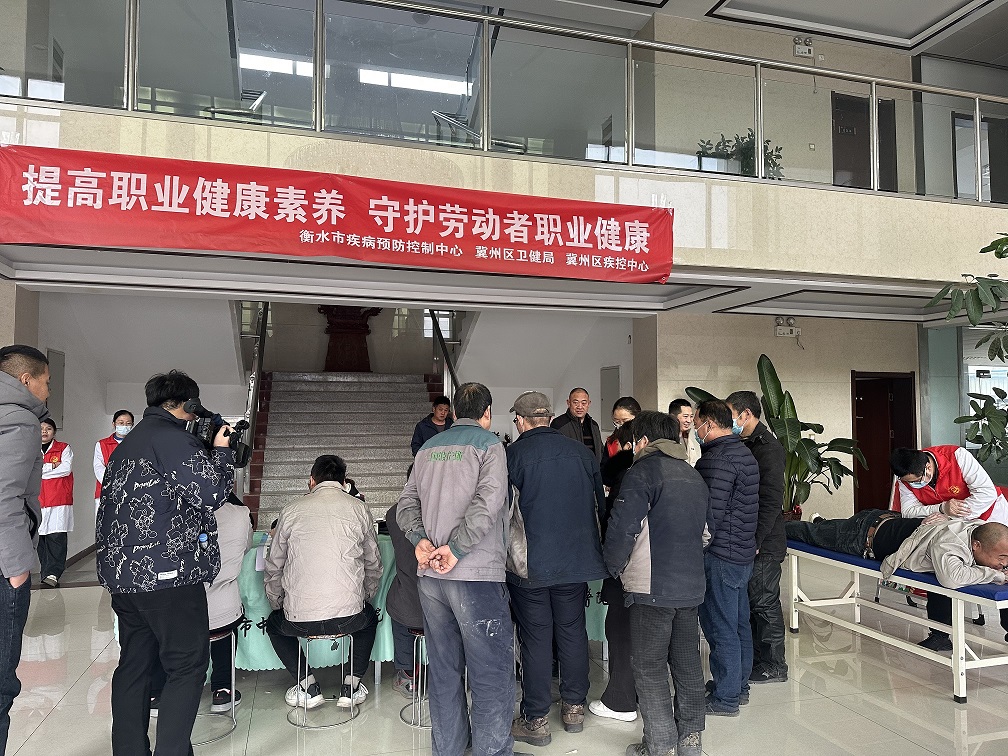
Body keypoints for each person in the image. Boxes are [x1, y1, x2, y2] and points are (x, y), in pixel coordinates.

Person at [96, 370, 235, 756]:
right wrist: (222, 452)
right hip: (168, 575)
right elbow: (212, 493)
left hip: (124, 576)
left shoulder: (130, 443)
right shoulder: (173, 439)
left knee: (134, 666)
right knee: (186, 665)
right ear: (189, 404)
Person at [397, 382, 519, 756]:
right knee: (490, 670)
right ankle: (491, 751)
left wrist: (420, 540)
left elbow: (405, 504)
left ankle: (448, 749)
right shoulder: (490, 446)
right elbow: (488, 503)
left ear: (451, 413)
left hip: (431, 577)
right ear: (487, 414)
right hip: (475, 575)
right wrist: (457, 549)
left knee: (444, 668)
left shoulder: (427, 448)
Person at [603, 411, 708, 756]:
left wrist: (614, 568)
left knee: (649, 667)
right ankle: (690, 740)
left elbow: (622, 530)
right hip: (690, 586)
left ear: (644, 441)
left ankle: (660, 745)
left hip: (651, 589)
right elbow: (706, 534)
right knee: (687, 664)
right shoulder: (693, 474)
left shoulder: (642, 472)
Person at [506, 391, 608, 747]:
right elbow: (600, 506)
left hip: (530, 565)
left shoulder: (512, 456)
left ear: (521, 421)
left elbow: (503, 514)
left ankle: (535, 719)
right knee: (572, 631)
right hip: (576, 563)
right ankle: (574, 708)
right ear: (549, 418)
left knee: (536, 638)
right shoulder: (582, 453)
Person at [265, 455, 380, 710]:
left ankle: (308, 686)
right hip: (349, 617)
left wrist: (278, 603)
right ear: (344, 482)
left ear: (311, 481)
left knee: (274, 625)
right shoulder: (359, 509)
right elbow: (373, 562)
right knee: (369, 619)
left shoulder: (291, 510)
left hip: (298, 620)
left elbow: (274, 565)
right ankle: (350, 686)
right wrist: (365, 597)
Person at [891, 446, 1008, 650]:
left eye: (917, 480)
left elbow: (987, 493)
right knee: (940, 569)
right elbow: (909, 511)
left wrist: (953, 515)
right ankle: (940, 635)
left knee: (1003, 570)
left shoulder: (957, 457)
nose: (914, 485)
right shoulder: (906, 478)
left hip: (990, 524)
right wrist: (941, 508)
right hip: (950, 531)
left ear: (928, 468)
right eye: (909, 482)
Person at [149, 492, 253, 716]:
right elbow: (246, 547)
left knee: (159, 628)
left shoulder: (173, 510)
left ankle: (158, 693)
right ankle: (223, 689)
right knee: (225, 619)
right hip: (225, 612)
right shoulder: (241, 514)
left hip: (179, 610)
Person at [694, 399, 759, 717]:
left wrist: (695, 549)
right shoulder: (743, 453)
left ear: (708, 423)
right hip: (742, 552)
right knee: (738, 623)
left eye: (696, 423)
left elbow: (709, 518)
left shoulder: (716, 460)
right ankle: (738, 686)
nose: (695, 429)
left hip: (720, 555)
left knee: (720, 626)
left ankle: (726, 698)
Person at [0, 344, 50, 754]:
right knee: (1, 680)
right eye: (46, 381)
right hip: (3, 565)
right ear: (25, 379)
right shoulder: (19, 419)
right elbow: (5, 496)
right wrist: (17, 569)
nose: (48, 390)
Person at [725, 391, 788, 687]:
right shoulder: (744, 443)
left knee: (764, 603)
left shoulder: (769, 448)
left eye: (731, 415)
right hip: (748, 539)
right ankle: (757, 660)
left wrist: (756, 539)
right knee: (751, 603)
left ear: (746, 414)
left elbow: (771, 501)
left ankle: (775, 665)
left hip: (765, 541)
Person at [591, 419, 640, 722]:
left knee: (620, 629)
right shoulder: (682, 471)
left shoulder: (630, 476)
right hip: (663, 572)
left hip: (629, 569)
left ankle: (621, 701)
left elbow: (620, 528)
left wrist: (611, 565)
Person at [881, 517, 1008, 588]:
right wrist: (998, 575)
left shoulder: (985, 534)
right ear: (976, 545)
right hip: (874, 532)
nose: (1005, 563)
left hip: (898, 523)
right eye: (1001, 557)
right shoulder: (950, 543)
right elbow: (951, 579)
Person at [386, 490, 426, 699]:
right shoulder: (446, 511)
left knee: (400, 601)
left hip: (410, 608)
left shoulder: (394, 513)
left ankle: (408, 676)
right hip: (447, 605)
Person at [37, 418, 74, 588]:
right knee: (40, 538)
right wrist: (52, 467)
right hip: (38, 500)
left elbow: (65, 469)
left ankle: (53, 573)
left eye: (49, 428)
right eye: (41, 428)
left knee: (56, 537)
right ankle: (45, 571)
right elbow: (29, 470)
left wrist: (41, 470)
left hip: (59, 499)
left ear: (54, 432)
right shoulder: (31, 449)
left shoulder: (64, 448)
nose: (44, 432)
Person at [551, 388, 603, 464]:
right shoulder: (559, 424)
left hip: (593, 470)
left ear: (589, 404)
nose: (580, 407)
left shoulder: (594, 425)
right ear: (568, 403)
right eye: (575, 403)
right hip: (570, 470)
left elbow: (600, 452)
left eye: (584, 403)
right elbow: (553, 452)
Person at [93, 409, 133, 508]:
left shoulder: (138, 444)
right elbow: (98, 467)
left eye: (128, 423)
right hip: (106, 490)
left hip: (130, 491)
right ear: (114, 424)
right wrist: (113, 482)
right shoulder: (102, 444)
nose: (125, 426)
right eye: (121, 423)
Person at [603, 396, 641, 462]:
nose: (621, 425)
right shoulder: (611, 442)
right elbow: (604, 466)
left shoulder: (644, 440)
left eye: (625, 421)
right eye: (617, 422)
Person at [669, 399, 701, 466]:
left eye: (691, 416)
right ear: (673, 417)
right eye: (685, 416)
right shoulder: (666, 439)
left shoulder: (687, 437)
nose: (689, 420)